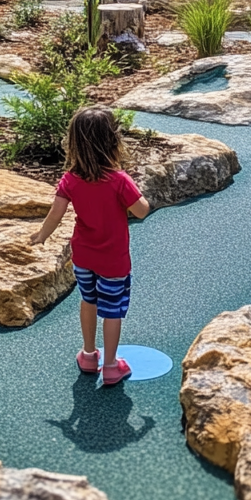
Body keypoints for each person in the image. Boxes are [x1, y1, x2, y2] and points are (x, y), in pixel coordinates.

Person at [30, 107, 150, 386]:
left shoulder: (70, 180)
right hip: (113, 262)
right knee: (113, 310)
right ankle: (110, 366)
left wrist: (42, 235)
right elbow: (141, 211)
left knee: (89, 301)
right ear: (112, 141)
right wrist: (136, 191)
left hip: (83, 257)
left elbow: (55, 214)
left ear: (73, 142)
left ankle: (88, 355)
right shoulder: (119, 180)